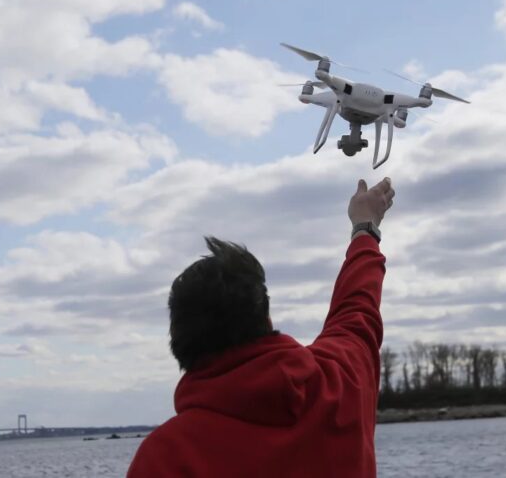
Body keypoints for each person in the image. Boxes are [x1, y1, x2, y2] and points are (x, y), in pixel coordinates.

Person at [127, 177, 394, 478]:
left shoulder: (166, 456)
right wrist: (365, 228)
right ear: (266, 321)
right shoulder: (341, 385)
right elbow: (357, 309)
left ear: (179, 344)